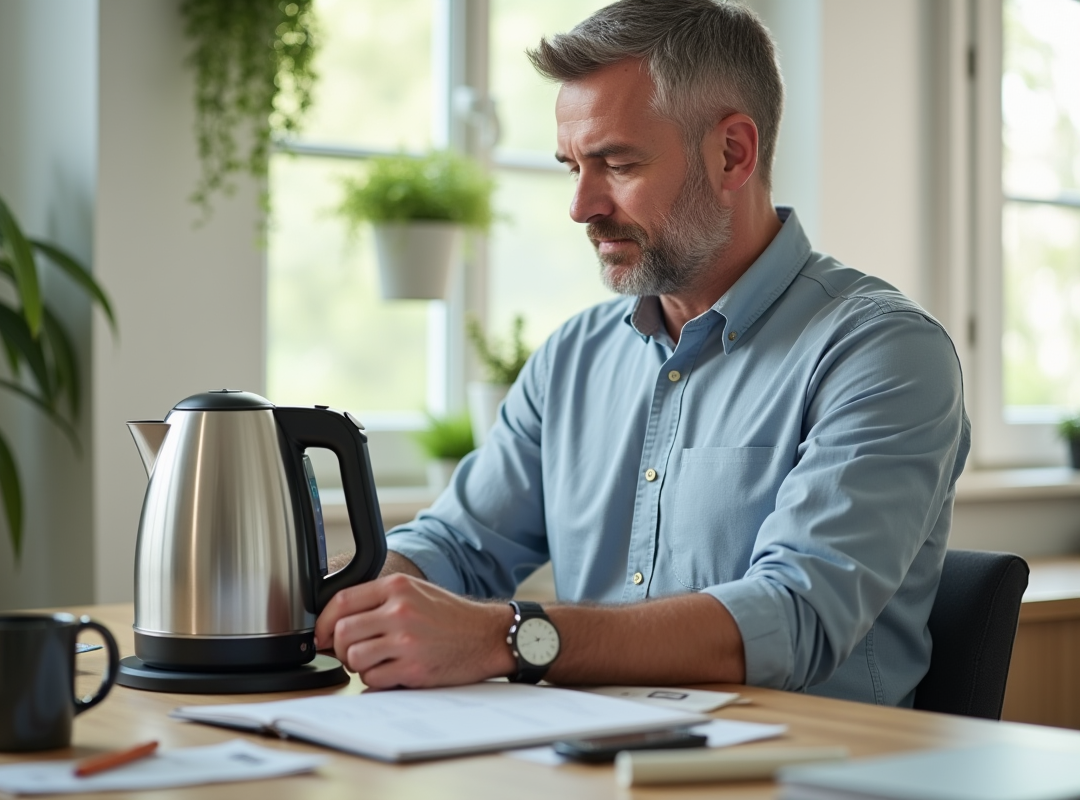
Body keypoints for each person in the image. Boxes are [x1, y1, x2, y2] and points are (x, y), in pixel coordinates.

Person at [315, 0, 969, 707]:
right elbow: (461, 547)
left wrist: (506, 639)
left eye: (617, 163)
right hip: (589, 755)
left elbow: (794, 618)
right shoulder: (574, 357)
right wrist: (313, 598)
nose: (581, 206)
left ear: (733, 153)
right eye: (572, 167)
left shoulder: (881, 352)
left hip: (807, 768)